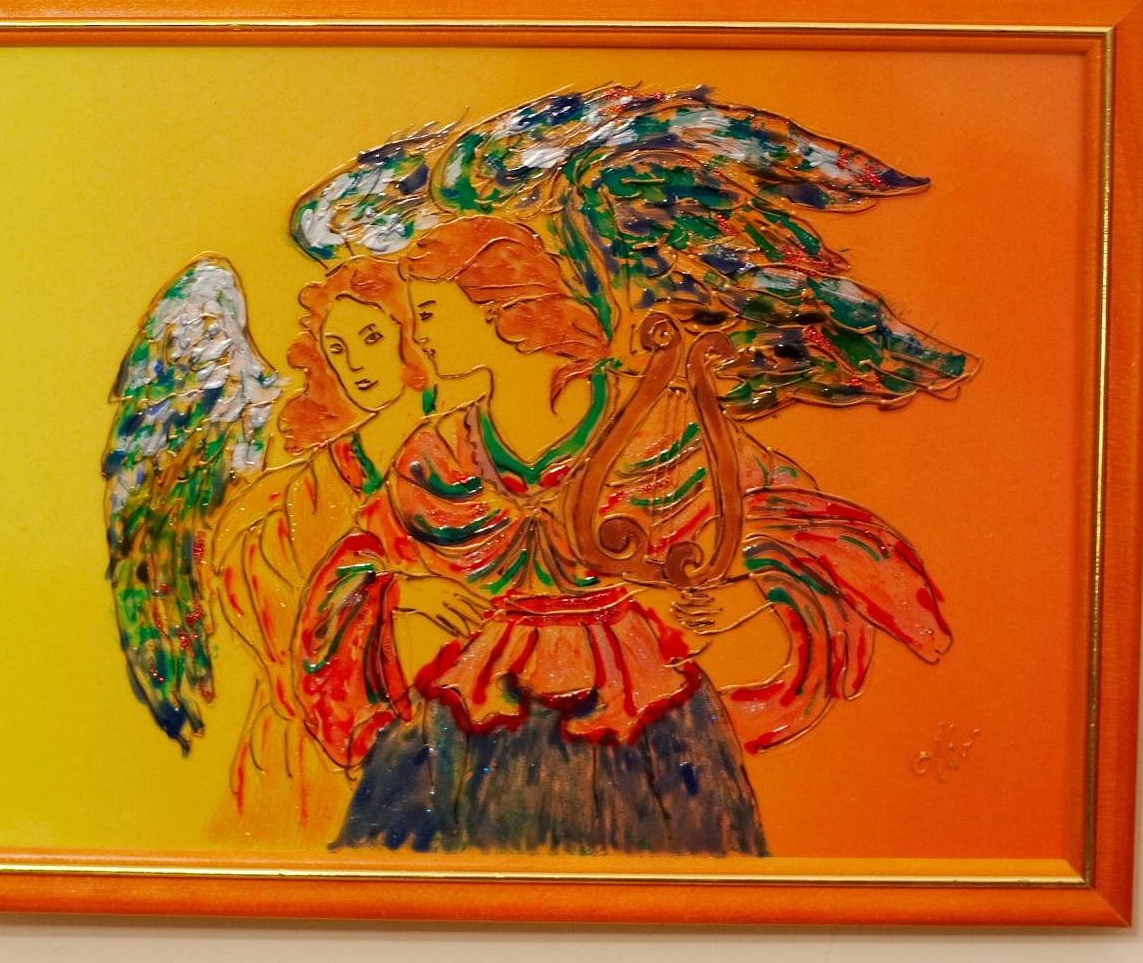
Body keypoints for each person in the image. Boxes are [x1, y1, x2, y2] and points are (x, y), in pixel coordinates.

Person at [294, 218, 769, 854]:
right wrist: (402, 593)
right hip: (477, 705)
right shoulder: (436, 453)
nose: (419, 336)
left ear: (496, 304)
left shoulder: (650, 418)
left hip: (642, 701)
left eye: (429, 312)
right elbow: (356, 566)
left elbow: (771, 517)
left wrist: (731, 598)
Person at [205, 256, 439, 848]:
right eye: (337, 347)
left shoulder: (463, 443)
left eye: (371, 336)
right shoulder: (321, 481)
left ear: (411, 331)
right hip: (331, 741)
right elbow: (297, 616)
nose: (354, 363)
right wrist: (399, 595)